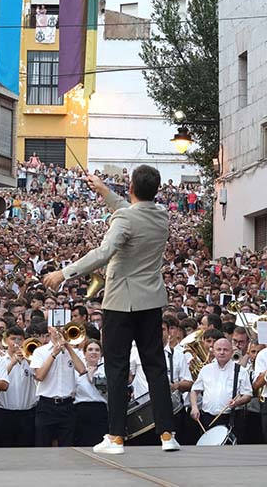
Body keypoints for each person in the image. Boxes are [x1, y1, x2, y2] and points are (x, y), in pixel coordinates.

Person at [43, 165, 180, 454]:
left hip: (120, 303)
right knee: (155, 367)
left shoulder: (125, 219)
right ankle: (167, 434)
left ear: (130, 188)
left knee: (116, 368)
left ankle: (116, 437)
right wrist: (105, 191)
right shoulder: (161, 215)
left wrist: (64, 273)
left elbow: (103, 253)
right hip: (151, 301)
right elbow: (131, 212)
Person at [29, 323, 85, 447]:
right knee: (43, 444)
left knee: (68, 446)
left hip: (67, 405)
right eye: (56, 327)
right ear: (49, 329)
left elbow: (82, 369)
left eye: (62, 327)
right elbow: (39, 376)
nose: (59, 330)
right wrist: (53, 353)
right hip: (46, 405)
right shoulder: (40, 351)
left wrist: (68, 347)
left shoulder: (73, 352)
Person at [190, 338, 252, 432]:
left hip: (231, 418)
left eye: (225, 350)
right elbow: (194, 391)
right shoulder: (206, 369)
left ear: (231, 352)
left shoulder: (240, 371)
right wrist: (194, 407)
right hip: (208, 418)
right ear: (214, 352)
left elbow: (248, 395)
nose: (222, 352)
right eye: (218, 349)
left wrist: (237, 402)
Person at [0, 326, 37, 447]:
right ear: (6, 341)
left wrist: (28, 359)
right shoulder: (0, 360)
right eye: (13, 339)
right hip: (5, 413)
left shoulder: (30, 360)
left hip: (27, 413)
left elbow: (38, 375)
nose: (16, 343)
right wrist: (13, 362)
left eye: (19, 339)